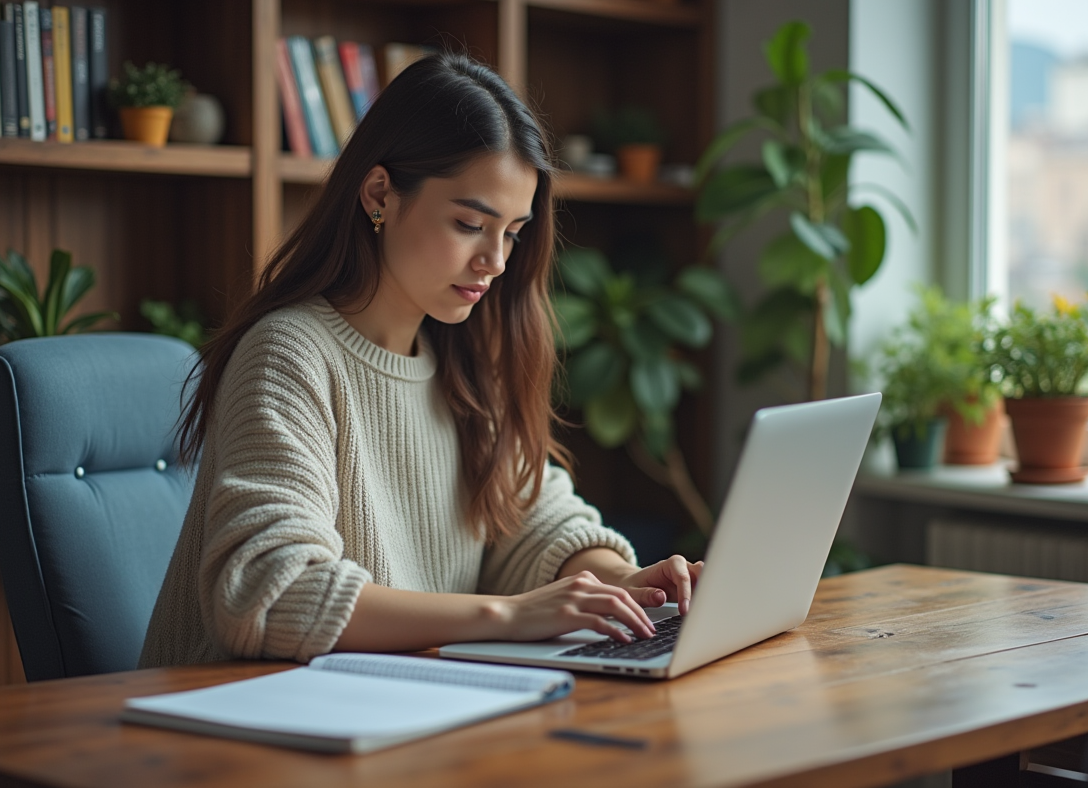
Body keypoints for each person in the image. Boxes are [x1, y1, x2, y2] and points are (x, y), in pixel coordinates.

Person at [139, 53, 703, 669]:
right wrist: (509, 616)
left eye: (513, 231)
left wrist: (618, 581)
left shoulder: (463, 358)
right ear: (380, 194)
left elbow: (536, 518)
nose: (496, 260)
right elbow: (269, 595)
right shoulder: (288, 355)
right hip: (238, 726)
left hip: (403, 703)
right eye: (469, 223)